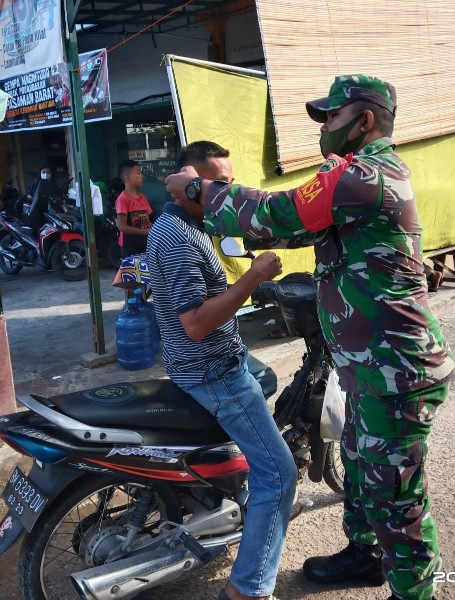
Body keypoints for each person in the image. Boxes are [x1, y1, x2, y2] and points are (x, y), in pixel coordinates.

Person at [166, 75, 454, 600]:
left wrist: (197, 190)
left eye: (332, 118)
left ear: (364, 121)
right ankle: (364, 555)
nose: (323, 129)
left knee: (395, 492)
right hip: (370, 366)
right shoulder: (349, 179)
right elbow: (287, 230)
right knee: (362, 464)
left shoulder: (365, 176)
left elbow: (276, 213)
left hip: (396, 370)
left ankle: (415, 592)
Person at [147, 141, 297, 600]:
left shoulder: (191, 224)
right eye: (214, 185)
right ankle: (247, 589)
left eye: (225, 184)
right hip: (212, 369)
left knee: (267, 378)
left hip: (210, 360)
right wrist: (252, 278)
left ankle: (226, 478)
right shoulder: (177, 237)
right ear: (182, 186)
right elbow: (194, 324)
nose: (221, 193)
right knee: (279, 474)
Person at [115, 160, 153, 258]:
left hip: (145, 243)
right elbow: (122, 226)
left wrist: (155, 230)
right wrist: (145, 232)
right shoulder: (122, 199)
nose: (141, 176)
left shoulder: (143, 197)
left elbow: (147, 221)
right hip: (130, 246)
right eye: (138, 173)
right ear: (127, 177)